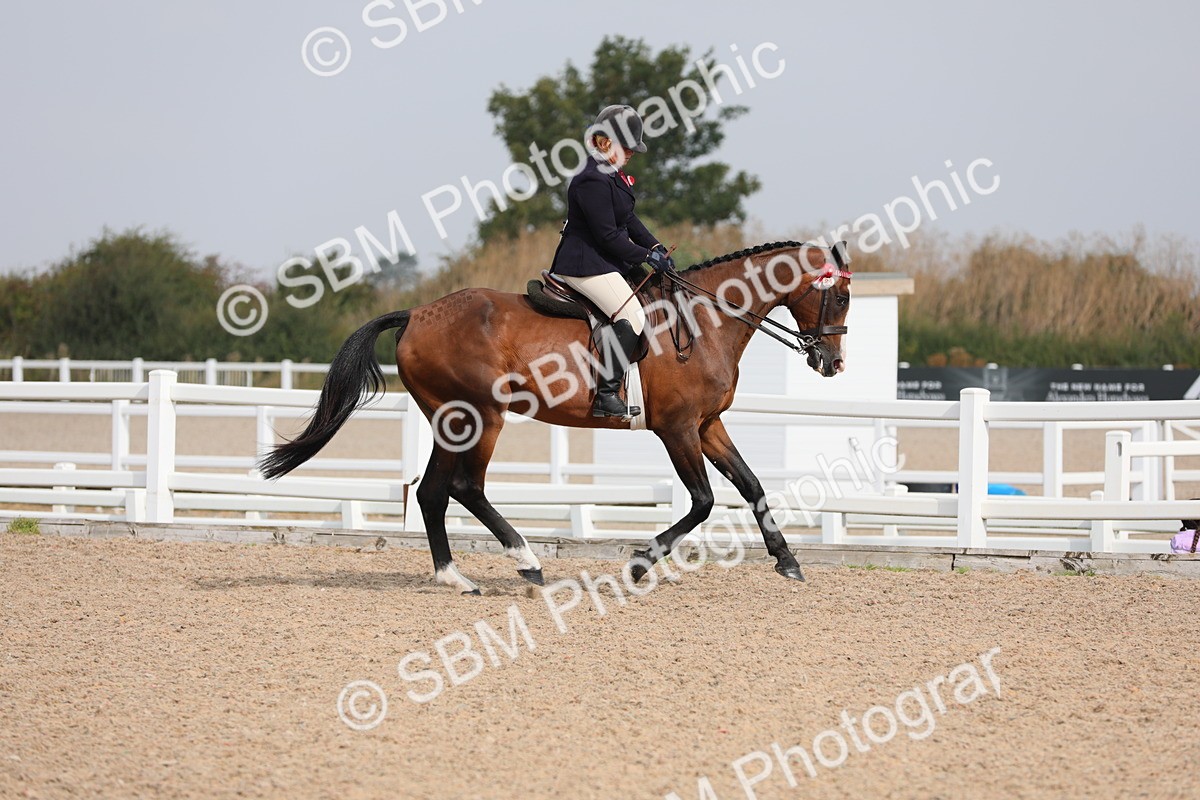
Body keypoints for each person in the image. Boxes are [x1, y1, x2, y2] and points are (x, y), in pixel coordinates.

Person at [549, 104, 675, 418]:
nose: (632, 153)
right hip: (585, 264)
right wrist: (646, 256)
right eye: (627, 147)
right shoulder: (591, 178)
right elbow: (607, 236)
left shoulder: (612, 174)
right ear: (606, 142)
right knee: (632, 315)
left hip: (606, 259)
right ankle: (606, 394)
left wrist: (655, 245)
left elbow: (629, 219)